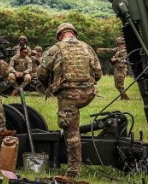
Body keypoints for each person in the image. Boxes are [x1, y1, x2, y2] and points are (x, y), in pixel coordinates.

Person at [36, 22, 102, 179]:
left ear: (60, 35)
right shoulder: (88, 48)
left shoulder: (55, 49)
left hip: (68, 96)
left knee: (71, 130)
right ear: (74, 34)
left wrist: (50, 83)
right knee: (74, 125)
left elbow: (41, 73)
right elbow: (98, 73)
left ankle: (73, 170)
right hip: (88, 93)